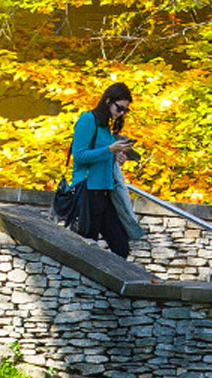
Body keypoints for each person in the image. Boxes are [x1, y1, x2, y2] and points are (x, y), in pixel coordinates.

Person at [69, 83, 147, 258]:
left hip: (105, 192)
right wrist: (109, 150)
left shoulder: (106, 127)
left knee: (121, 247)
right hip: (88, 191)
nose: (120, 114)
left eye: (125, 111)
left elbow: (102, 156)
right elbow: (79, 156)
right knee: (88, 246)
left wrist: (116, 157)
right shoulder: (88, 120)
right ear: (108, 100)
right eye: (119, 108)